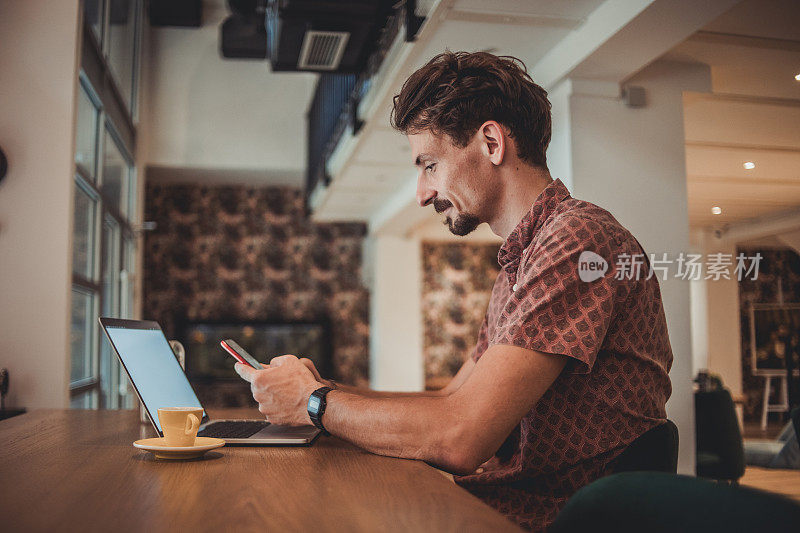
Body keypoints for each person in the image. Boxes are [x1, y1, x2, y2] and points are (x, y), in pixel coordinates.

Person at [234, 51, 674, 531]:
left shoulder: (577, 241)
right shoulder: (521, 260)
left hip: (551, 520)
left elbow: (460, 438)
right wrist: (324, 391)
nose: (422, 193)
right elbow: (450, 402)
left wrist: (314, 403)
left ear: (490, 142)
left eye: (428, 165)